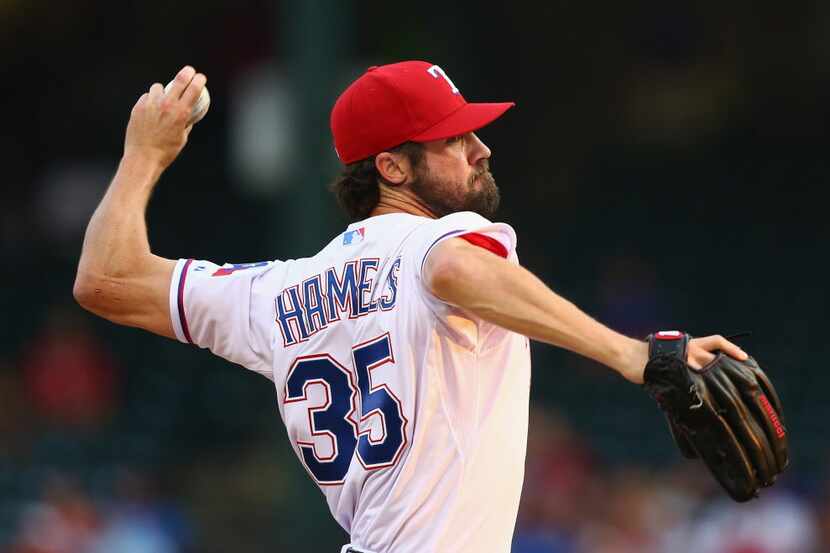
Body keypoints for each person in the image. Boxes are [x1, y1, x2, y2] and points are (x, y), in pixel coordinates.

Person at [73, 61, 749, 553]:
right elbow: (451, 269)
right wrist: (635, 354)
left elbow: (106, 279)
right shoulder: (443, 238)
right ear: (392, 168)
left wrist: (143, 156)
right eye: (454, 138)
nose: (481, 148)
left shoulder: (279, 290)